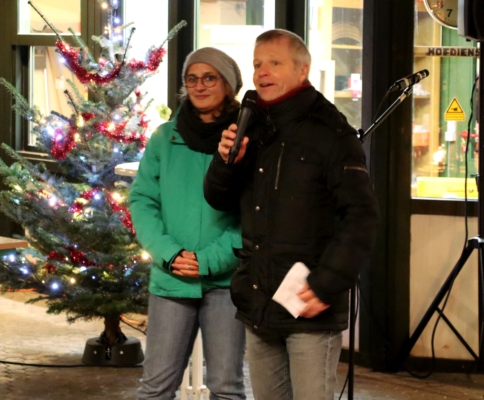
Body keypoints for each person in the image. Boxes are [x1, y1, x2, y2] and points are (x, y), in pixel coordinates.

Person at [204, 29, 379, 400]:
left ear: (303, 71)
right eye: (256, 64)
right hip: (258, 299)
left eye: (274, 63)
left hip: (307, 303)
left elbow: (360, 216)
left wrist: (325, 284)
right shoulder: (251, 125)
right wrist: (225, 164)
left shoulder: (332, 133)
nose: (261, 72)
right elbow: (218, 199)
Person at [130, 47, 246, 400]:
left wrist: (209, 260)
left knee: (226, 387)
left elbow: (252, 213)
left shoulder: (245, 141)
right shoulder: (165, 138)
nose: (199, 86)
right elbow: (142, 201)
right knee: (155, 388)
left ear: (227, 84)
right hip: (171, 278)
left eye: (209, 77)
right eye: (192, 79)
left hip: (226, 281)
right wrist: (169, 253)